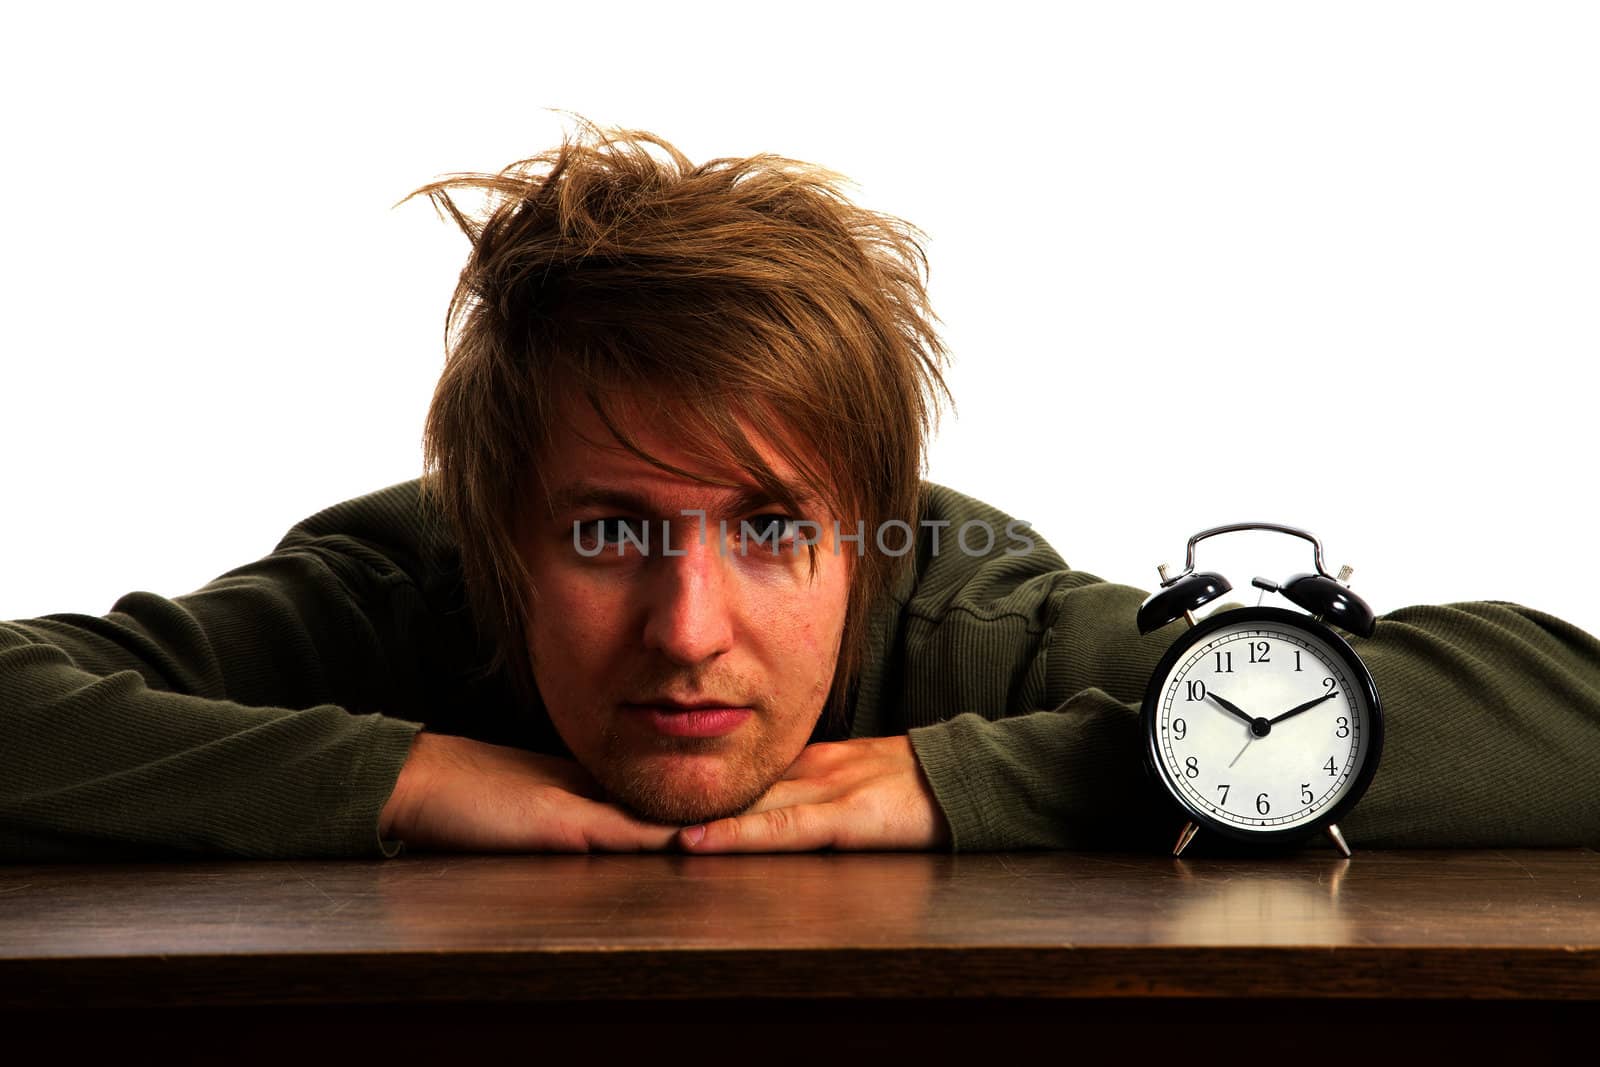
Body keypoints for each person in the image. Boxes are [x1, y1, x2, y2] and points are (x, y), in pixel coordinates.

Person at [3, 123, 1598, 863]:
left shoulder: (967, 618)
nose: (687, 633)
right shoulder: (397, 587)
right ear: (497, 536)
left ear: (871, 535)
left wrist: (992, 781)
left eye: (772, 529)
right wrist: (405, 777)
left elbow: (1566, 710)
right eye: (609, 532)